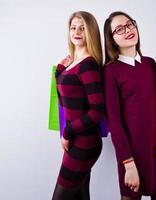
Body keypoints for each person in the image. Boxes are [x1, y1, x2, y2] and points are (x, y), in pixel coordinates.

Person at [103, 11, 156, 200]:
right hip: (131, 153)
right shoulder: (111, 71)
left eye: (130, 24)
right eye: (119, 29)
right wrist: (128, 162)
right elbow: (114, 121)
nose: (128, 30)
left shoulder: (149, 63)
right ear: (112, 39)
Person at [52, 11, 105, 200]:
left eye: (83, 28)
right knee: (81, 196)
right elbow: (64, 101)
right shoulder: (73, 63)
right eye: (73, 27)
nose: (77, 31)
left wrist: (67, 132)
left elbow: (97, 110)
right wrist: (59, 71)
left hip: (85, 143)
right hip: (77, 142)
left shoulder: (88, 65)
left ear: (90, 32)